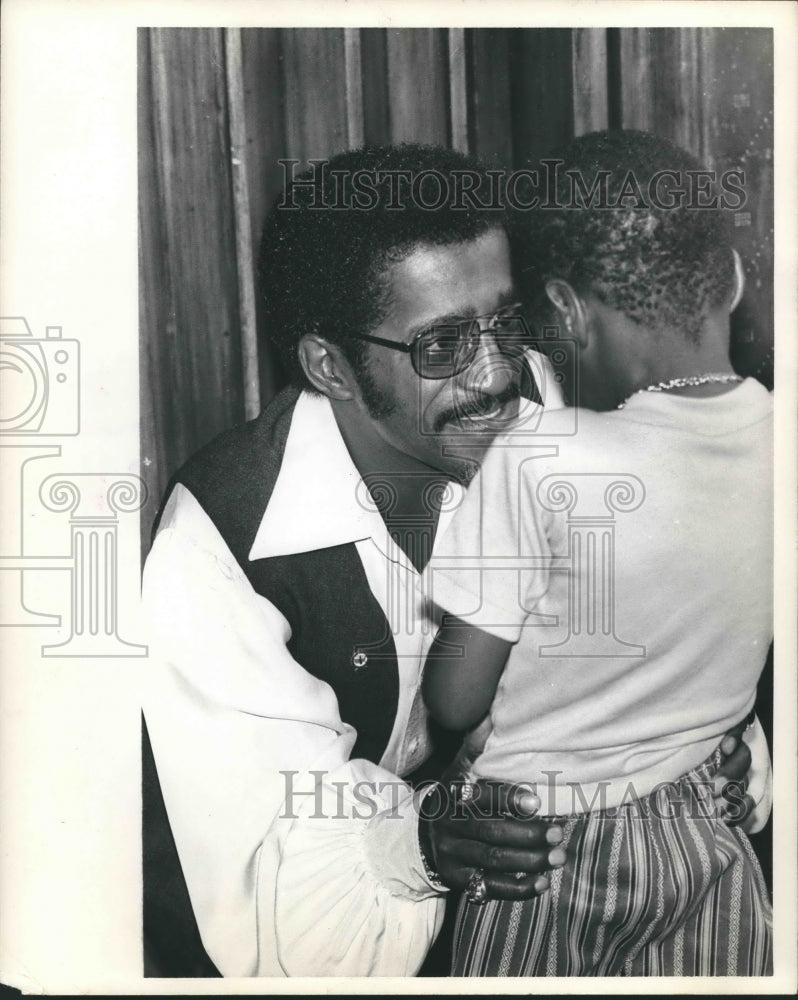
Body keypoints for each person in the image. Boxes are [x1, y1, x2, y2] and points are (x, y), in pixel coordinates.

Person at [141, 141, 761, 978]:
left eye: (506, 321)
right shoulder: (215, 547)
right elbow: (272, 895)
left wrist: (724, 749)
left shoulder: (558, 402)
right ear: (333, 367)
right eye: (442, 347)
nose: (500, 371)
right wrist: (423, 842)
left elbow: (682, 586)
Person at [423, 130, 773, 976]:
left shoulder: (540, 450)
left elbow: (456, 698)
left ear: (568, 311)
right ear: (730, 277)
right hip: (707, 837)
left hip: (540, 852)